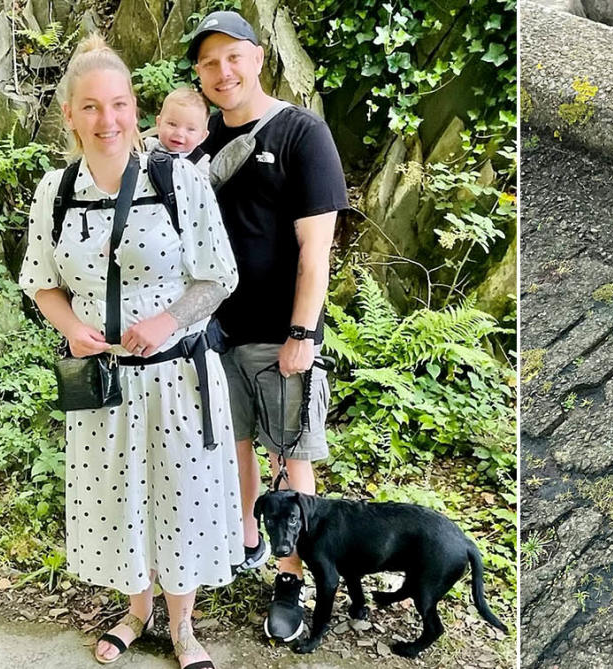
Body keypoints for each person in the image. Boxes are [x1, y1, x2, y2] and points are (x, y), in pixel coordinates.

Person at [19, 35, 241, 669]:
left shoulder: (178, 180)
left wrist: (167, 318)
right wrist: (69, 327)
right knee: (118, 499)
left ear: (135, 109)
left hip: (177, 378)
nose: (107, 120)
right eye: (90, 107)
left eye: (118, 104)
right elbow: (41, 280)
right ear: (69, 115)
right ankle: (136, 613)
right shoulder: (55, 191)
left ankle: (183, 627)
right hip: (102, 383)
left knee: (183, 499)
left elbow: (219, 276)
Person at [187, 11, 348, 642]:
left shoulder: (301, 133)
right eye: (208, 63)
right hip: (211, 333)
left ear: (257, 58)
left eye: (233, 57)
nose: (222, 72)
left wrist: (302, 335)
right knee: (237, 446)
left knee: (292, 457)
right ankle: (248, 543)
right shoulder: (196, 147)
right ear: (198, 75)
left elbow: (316, 250)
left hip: (279, 334)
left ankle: (291, 579)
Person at [144, 86, 212, 172]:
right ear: (159, 123)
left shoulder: (199, 163)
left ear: (202, 137)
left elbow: (202, 185)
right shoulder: (147, 146)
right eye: (172, 124)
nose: (179, 133)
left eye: (190, 129)